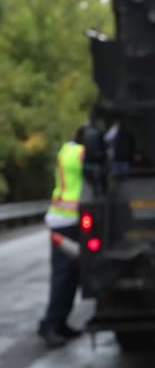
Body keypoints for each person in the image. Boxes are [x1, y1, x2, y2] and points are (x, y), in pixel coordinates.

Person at [38, 126, 91, 347]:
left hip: (64, 220)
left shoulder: (66, 150)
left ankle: (59, 324)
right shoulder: (78, 153)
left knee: (69, 277)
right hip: (66, 222)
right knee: (63, 278)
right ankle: (50, 326)